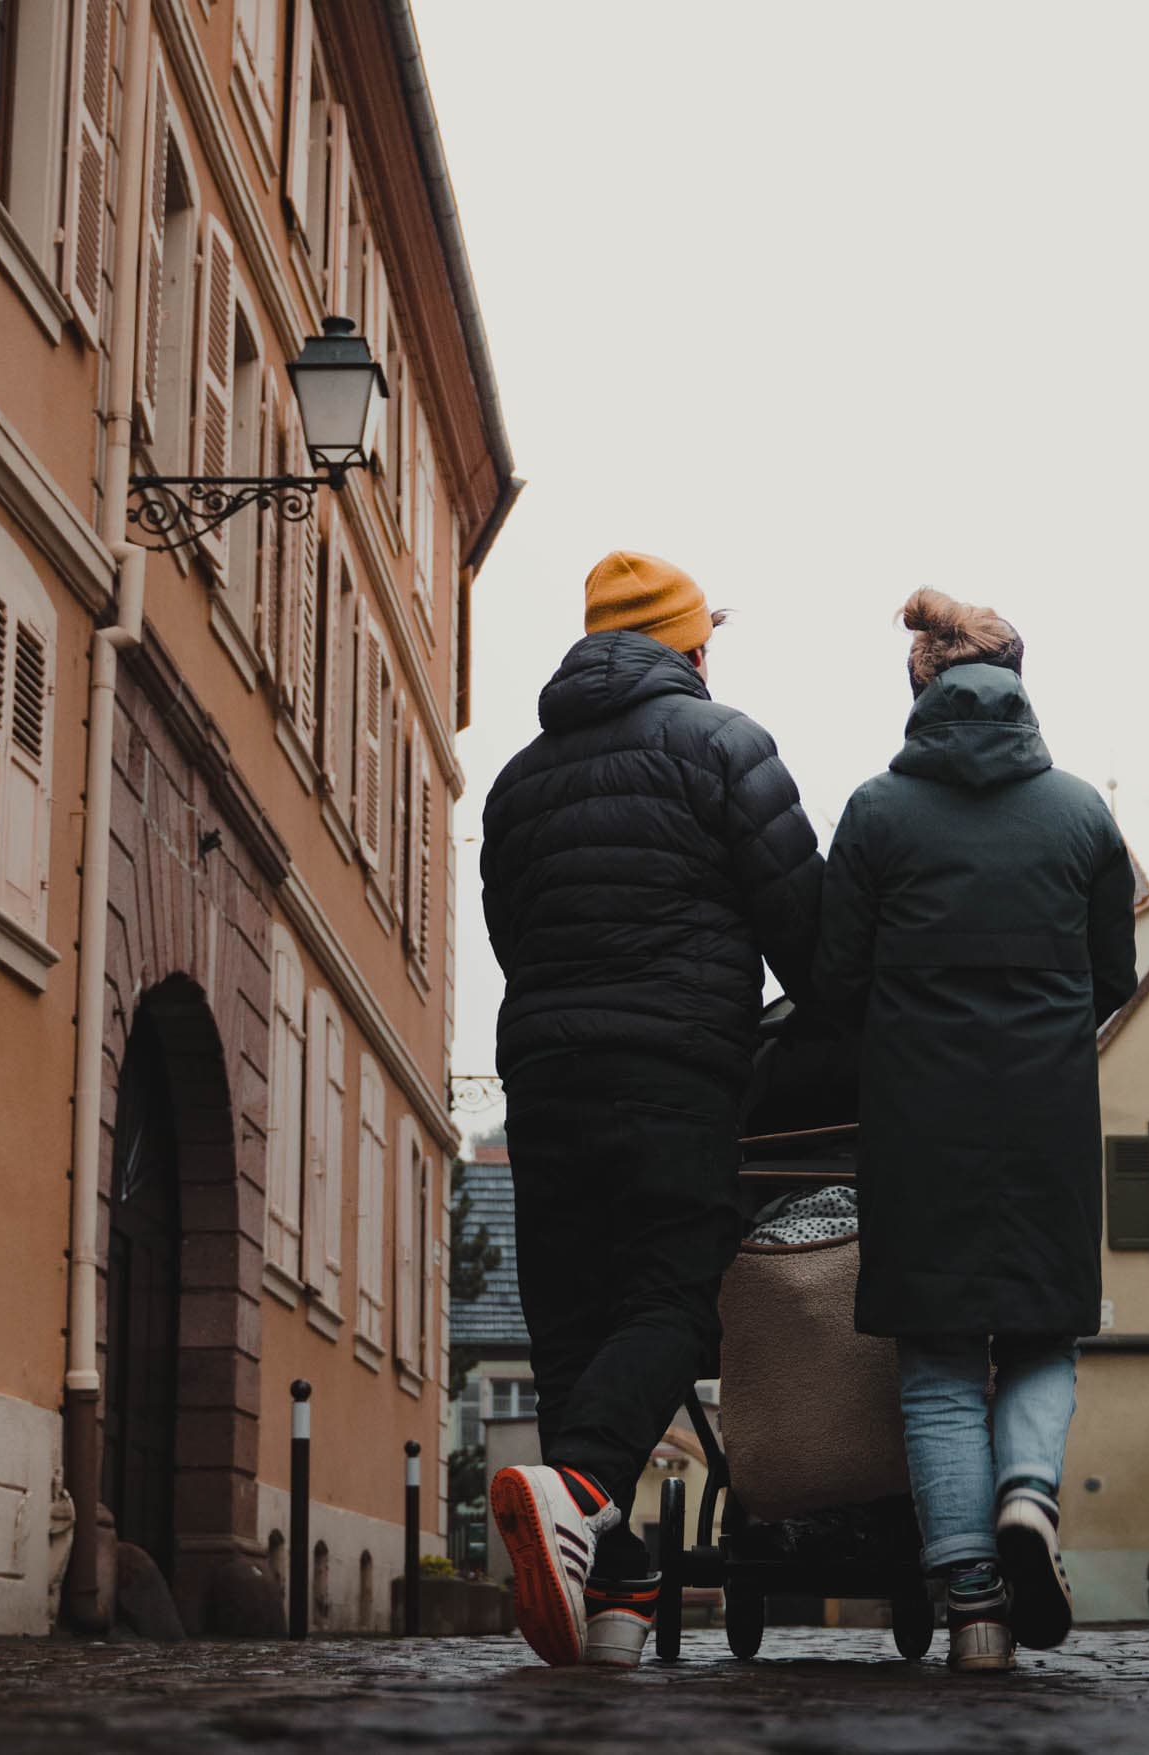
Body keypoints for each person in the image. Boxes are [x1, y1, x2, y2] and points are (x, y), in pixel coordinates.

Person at [480, 551, 821, 1669]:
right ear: (689, 647)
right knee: (675, 1292)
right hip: (676, 1066)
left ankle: (618, 1588)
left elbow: (509, 935)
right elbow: (806, 935)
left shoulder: (519, 780)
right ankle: (580, 1493)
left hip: (541, 1071)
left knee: (575, 1316)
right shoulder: (727, 746)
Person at [816, 589, 1137, 1672]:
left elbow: (833, 982)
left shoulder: (874, 813)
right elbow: (1113, 976)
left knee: (939, 1356)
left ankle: (975, 1616)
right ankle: (1029, 1505)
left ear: (920, 689)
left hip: (919, 1117)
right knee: (1044, 1327)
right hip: (1046, 1109)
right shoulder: (1084, 815)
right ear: (1019, 681)